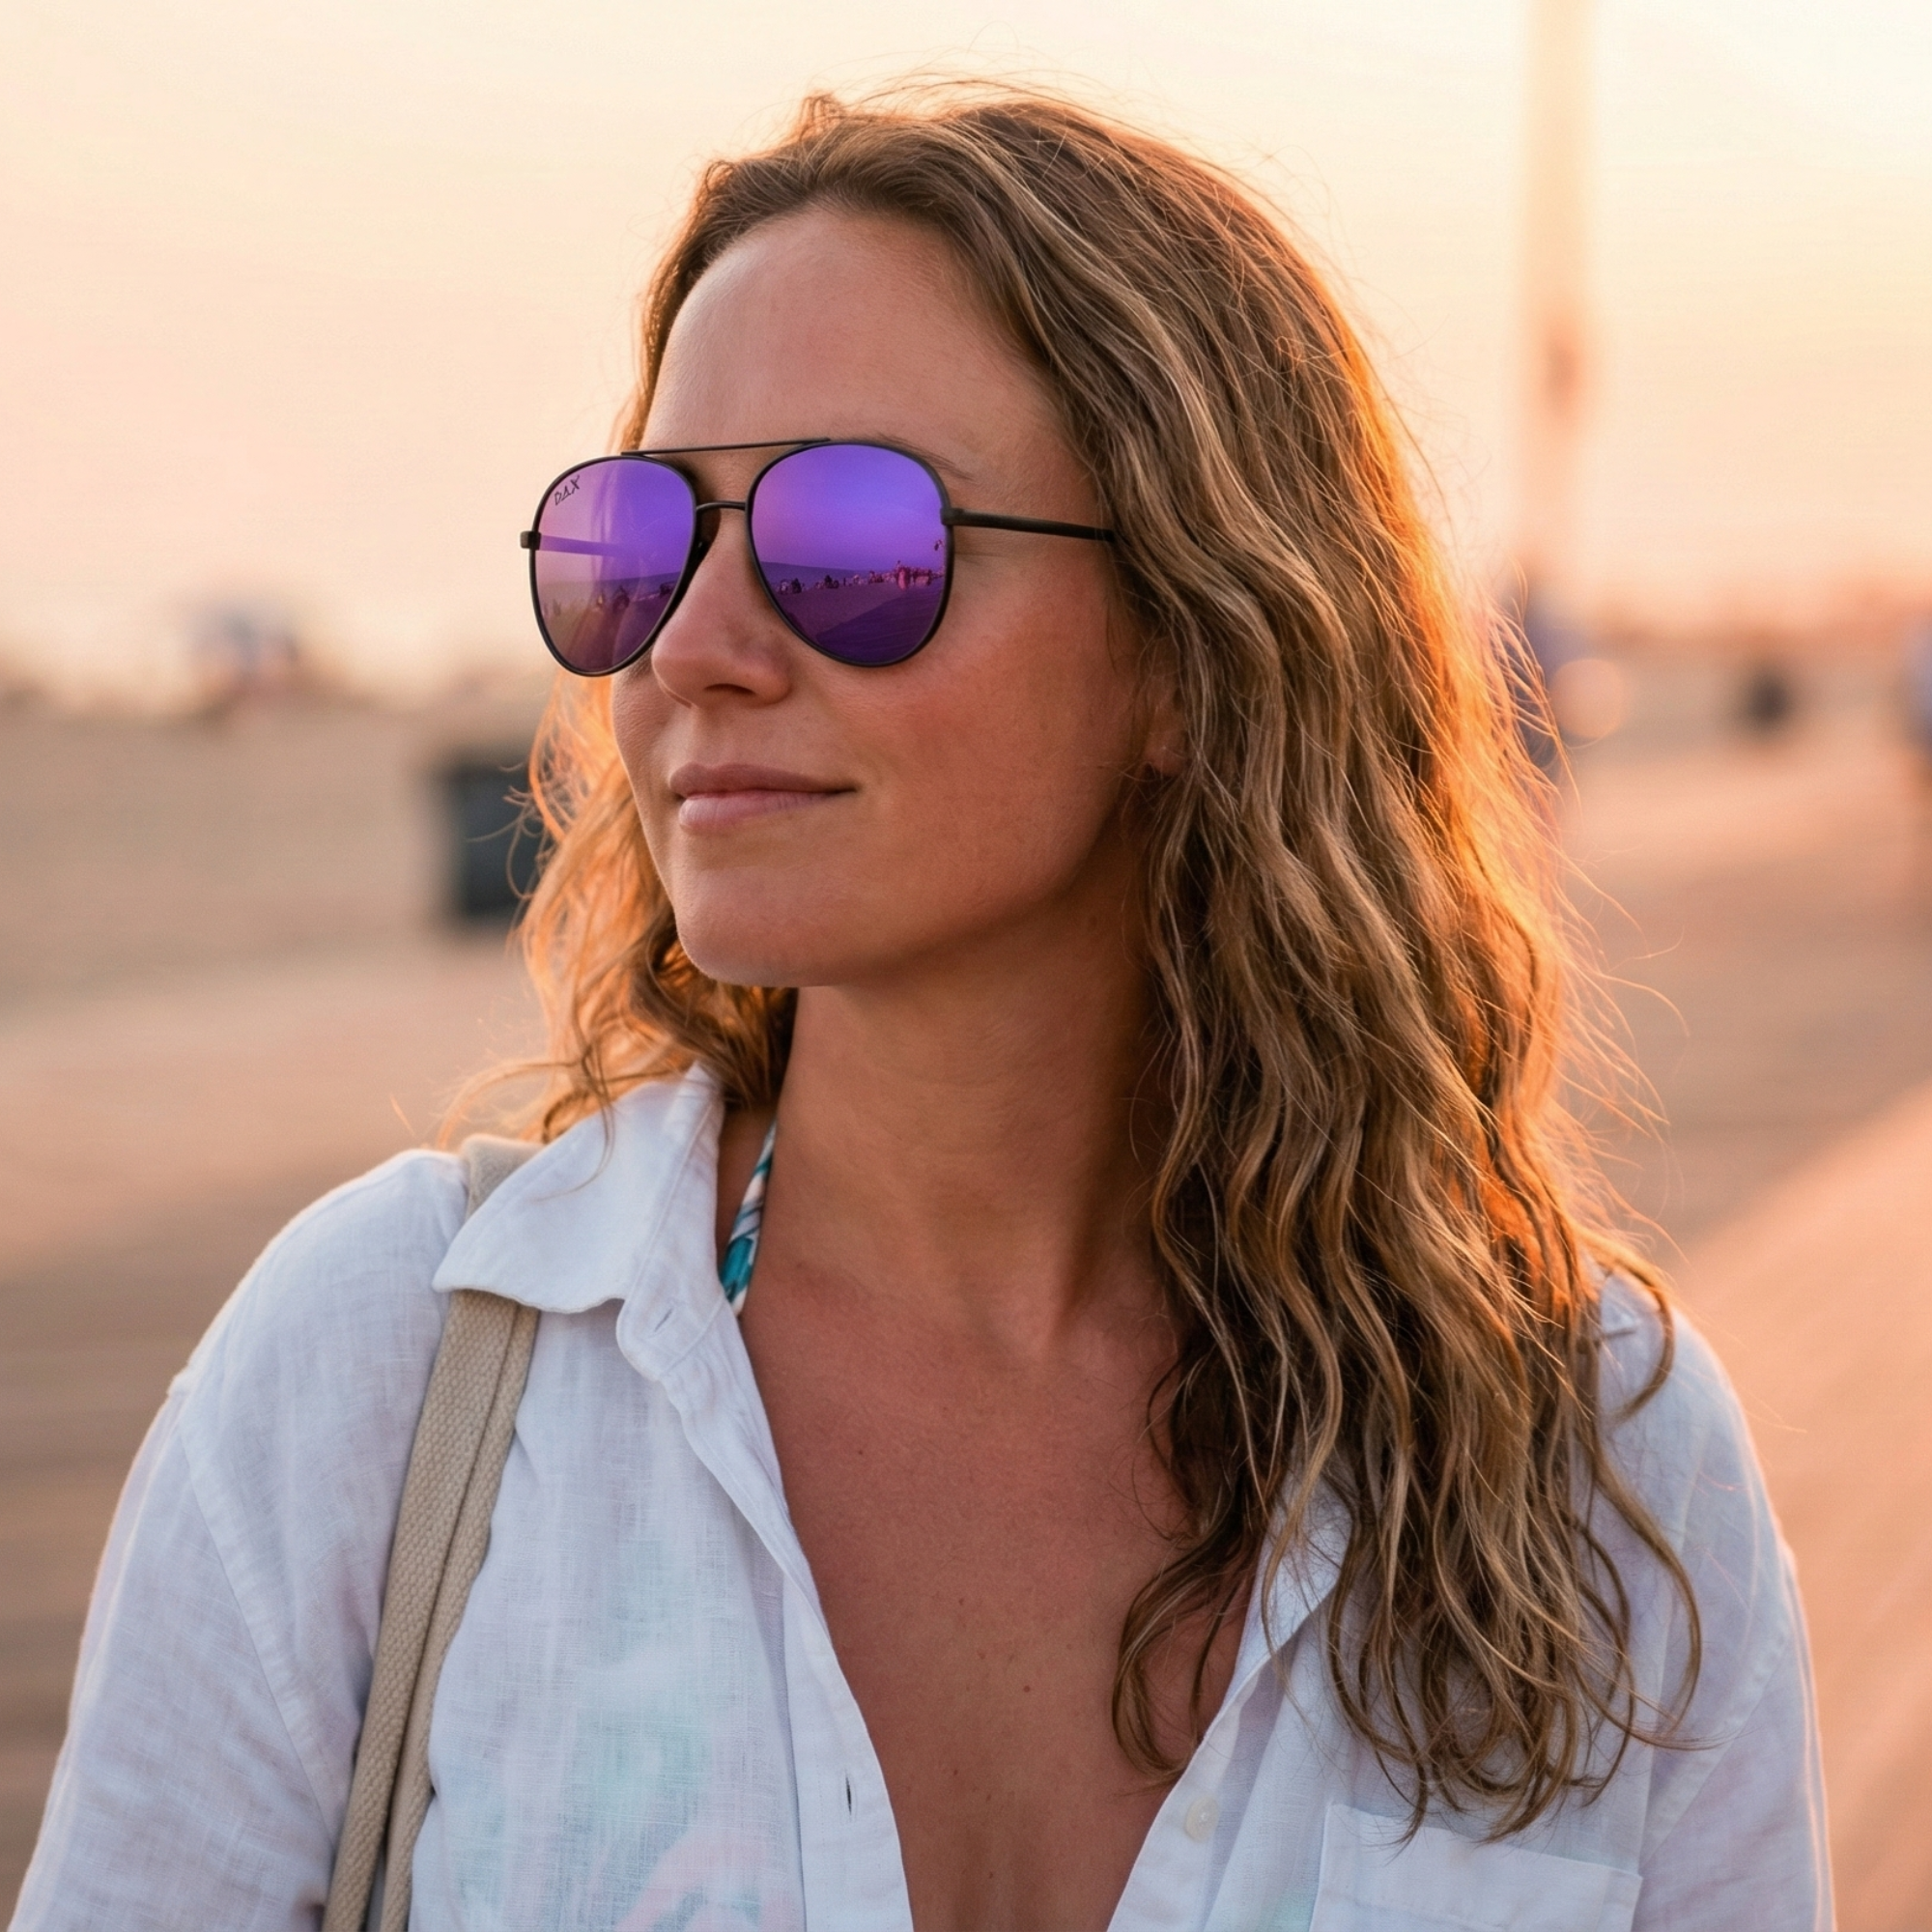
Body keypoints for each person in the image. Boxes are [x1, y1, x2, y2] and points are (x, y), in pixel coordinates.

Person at [14, 86, 1829, 1931]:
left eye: (855, 547)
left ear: (1196, 650)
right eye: (642, 541)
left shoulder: (1603, 1475)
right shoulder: (382, 1383)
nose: (694, 648)